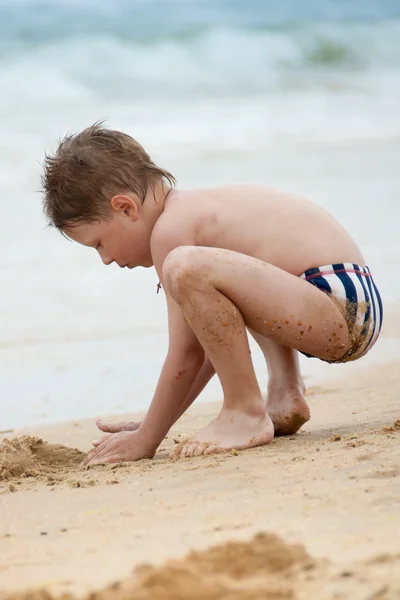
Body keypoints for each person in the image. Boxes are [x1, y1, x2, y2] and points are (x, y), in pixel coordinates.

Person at [42, 124, 383, 466]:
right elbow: (214, 340)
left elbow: (188, 353)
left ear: (126, 208)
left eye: (99, 243)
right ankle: (285, 391)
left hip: (336, 305)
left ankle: (245, 410)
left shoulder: (171, 232)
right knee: (226, 273)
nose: (105, 259)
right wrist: (152, 423)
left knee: (185, 266)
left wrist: (146, 439)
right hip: (348, 298)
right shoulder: (194, 211)